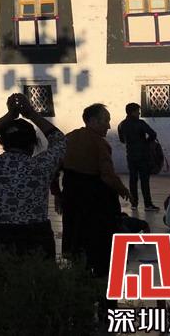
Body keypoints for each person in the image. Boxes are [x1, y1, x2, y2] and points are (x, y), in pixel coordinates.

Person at [0, 93, 65, 331]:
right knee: (38, 294)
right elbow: (59, 140)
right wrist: (31, 114)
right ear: (32, 143)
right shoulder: (41, 165)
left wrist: (10, 115)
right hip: (35, 236)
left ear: (3, 142)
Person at [60, 103, 130, 279]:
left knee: (75, 237)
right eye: (105, 121)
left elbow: (55, 166)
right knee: (98, 241)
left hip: (71, 197)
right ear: (92, 121)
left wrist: (56, 193)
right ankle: (100, 279)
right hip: (94, 201)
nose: (108, 126)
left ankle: (78, 273)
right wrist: (123, 190)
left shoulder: (69, 138)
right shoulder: (99, 144)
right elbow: (107, 175)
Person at [117, 102, 159, 211]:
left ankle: (134, 203)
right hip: (143, 156)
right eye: (137, 111)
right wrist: (146, 143)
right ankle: (148, 204)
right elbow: (153, 134)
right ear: (133, 112)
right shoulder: (140, 123)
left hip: (130, 155)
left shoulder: (121, 124)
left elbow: (122, 140)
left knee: (133, 180)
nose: (139, 113)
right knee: (144, 181)